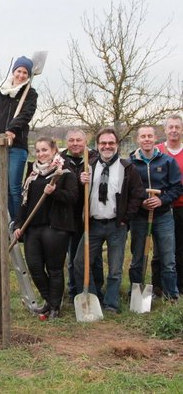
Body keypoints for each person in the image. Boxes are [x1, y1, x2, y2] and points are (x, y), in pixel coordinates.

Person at [75, 128, 144, 313]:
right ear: (97, 146)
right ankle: (92, 298)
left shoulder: (127, 168)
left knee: (115, 268)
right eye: (103, 143)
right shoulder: (88, 166)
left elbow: (138, 195)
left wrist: (125, 218)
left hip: (116, 225)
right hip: (93, 224)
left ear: (117, 145)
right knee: (80, 262)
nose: (107, 146)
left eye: (111, 143)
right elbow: (77, 193)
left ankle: (111, 303)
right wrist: (80, 181)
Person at [13, 137, 78, 319]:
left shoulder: (64, 170)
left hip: (56, 228)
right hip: (32, 227)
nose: (41, 154)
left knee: (54, 269)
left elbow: (73, 197)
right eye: (38, 150)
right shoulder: (32, 172)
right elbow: (24, 201)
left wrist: (54, 192)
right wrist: (19, 224)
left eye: (45, 150)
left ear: (54, 150)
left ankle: (55, 308)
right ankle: (50, 301)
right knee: (34, 266)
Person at [129, 125, 182, 301]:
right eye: (143, 136)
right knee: (138, 257)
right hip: (139, 217)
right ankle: (135, 293)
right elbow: (128, 189)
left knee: (168, 258)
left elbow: (177, 187)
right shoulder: (130, 163)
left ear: (155, 138)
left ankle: (171, 295)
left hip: (163, 216)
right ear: (138, 139)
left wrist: (162, 200)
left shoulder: (167, 161)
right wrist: (141, 201)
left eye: (149, 136)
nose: (146, 139)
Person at [0, 56, 37, 221]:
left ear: (29, 75)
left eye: (25, 72)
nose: (21, 75)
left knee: (14, 187)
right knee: (1, 187)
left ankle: (17, 223)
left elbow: (26, 115)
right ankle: (6, 222)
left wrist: (12, 129)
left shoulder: (30, 93)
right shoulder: (1, 91)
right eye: (19, 71)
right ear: (13, 71)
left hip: (17, 145)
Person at [60, 129, 104, 303]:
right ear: (67, 142)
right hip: (70, 215)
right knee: (73, 257)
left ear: (86, 142)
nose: (75, 143)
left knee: (95, 256)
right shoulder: (61, 160)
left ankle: (97, 291)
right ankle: (74, 292)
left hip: (91, 214)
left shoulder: (95, 159)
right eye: (71, 140)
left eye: (79, 140)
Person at [154, 115, 183, 295]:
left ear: (181, 130)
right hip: (161, 208)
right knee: (160, 250)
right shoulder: (157, 151)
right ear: (165, 130)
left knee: (179, 248)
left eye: (177, 127)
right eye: (170, 127)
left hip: (181, 207)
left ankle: (178, 285)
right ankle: (157, 286)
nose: (174, 130)